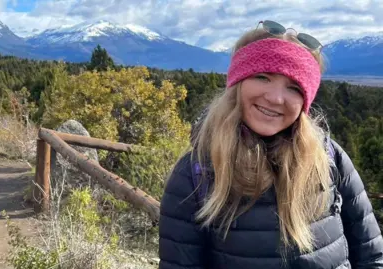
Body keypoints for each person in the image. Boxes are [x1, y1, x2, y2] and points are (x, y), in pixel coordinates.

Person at [159, 20, 383, 269]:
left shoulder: (329, 157)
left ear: (305, 101)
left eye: (294, 87)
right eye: (263, 76)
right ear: (237, 83)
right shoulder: (196, 173)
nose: (276, 98)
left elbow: (372, 257)